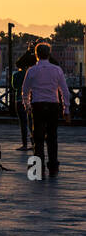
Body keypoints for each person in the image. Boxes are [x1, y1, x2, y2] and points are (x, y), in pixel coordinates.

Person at [21, 42, 71, 177]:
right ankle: (53, 168)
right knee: (52, 138)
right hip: (53, 106)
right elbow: (64, 91)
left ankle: (38, 169)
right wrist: (66, 110)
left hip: (37, 105)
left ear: (36, 55)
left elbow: (24, 91)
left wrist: (27, 106)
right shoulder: (57, 70)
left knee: (37, 139)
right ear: (49, 54)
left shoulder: (31, 70)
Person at [10, 49, 35, 151]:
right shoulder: (32, 73)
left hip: (19, 100)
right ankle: (34, 144)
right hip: (31, 100)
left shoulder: (16, 75)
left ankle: (24, 144)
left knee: (23, 123)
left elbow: (14, 87)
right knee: (31, 123)